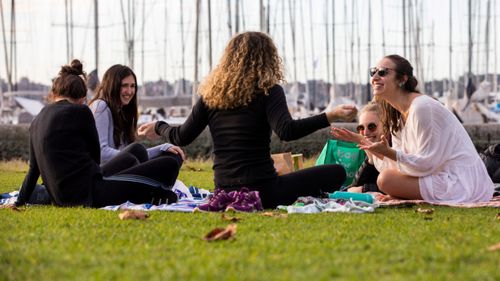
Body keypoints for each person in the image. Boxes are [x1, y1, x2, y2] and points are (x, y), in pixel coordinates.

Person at [138, 32, 357, 209]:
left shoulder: (211, 95)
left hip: (222, 189)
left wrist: (158, 126)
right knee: (335, 172)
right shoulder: (269, 91)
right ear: (268, 59)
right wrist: (330, 115)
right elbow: (287, 131)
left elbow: (181, 136)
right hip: (264, 190)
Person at [15, 60, 180, 207]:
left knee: (134, 154)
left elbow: (33, 170)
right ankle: (149, 192)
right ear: (81, 97)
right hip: (89, 193)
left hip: (61, 196)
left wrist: (19, 201)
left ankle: (149, 191)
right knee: (169, 164)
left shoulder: (36, 121)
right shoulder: (81, 111)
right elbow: (96, 157)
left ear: (54, 93)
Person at [335, 54, 494, 203]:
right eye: (373, 72)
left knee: (385, 180)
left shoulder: (422, 107)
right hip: (435, 175)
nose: (375, 77)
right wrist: (369, 145)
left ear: (402, 79)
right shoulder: (394, 113)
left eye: (383, 72)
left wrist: (387, 153)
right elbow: (400, 166)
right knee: (385, 179)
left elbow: (425, 164)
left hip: (460, 182)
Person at [89, 64, 184, 176]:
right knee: (138, 150)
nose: (129, 91)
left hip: (124, 168)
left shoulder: (122, 113)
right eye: (124, 85)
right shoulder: (101, 106)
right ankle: (155, 187)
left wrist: (163, 148)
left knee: (173, 157)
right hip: (103, 175)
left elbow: (131, 154)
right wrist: (133, 154)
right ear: (112, 85)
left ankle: (159, 188)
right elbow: (101, 153)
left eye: (132, 86)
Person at [332, 102, 387, 194]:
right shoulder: (372, 148)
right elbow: (354, 187)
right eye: (361, 128)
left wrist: (364, 189)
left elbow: (397, 186)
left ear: (386, 126)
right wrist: (371, 159)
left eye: (371, 126)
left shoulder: (396, 147)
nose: (365, 132)